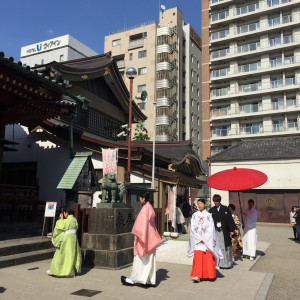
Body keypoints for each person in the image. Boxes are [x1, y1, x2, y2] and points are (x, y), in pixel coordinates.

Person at [121, 192, 162, 287]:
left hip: (144, 237)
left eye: (140, 198)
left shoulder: (145, 208)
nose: (139, 199)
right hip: (150, 237)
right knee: (149, 260)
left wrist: (138, 233)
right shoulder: (150, 207)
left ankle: (135, 279)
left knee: (140, 260)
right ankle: (148, 280)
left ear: (144, 198)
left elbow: (141, 224)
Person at [188, 198, 223, 282]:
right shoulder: (195, 215)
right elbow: (192, 227)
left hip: (207, 240)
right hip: (198, 240)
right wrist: (198, 238)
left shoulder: (208, 215)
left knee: (208, 256)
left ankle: (209, 275)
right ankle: (197, 275)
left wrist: (204, 238)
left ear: (204, 204)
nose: (199, 205)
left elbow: (210, 228)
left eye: (201, 203)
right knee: (198, 257)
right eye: (198, 203)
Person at [48, 209, 81, 277]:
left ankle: (57, 270)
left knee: (61, 254)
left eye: (64, 213)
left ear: (66, 213)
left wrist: (61, 219)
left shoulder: (67, 220)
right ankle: (71, 271)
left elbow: (60, 226)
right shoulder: (74, 220)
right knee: (72, 255)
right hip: (73, 239)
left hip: (66, 239)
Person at [209, 194, 236, 269]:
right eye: (214, 201)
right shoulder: (211, 210)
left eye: (217, 201)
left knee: (225, 246)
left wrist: (231, 230)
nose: (216, 203)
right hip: (215, 231)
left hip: (224, 231)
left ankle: (226, 263)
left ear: (219, 201)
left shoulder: (225, 209)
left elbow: (229, 219)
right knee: (216, 246)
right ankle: (217, 263)